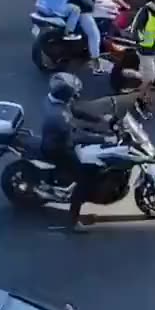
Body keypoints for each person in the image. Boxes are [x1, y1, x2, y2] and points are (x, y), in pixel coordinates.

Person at [39, 73, 116, 232]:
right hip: (59, 148)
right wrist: (104, 140)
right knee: (84, 179)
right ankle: (73, 221)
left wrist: (102, 119)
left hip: (60, 136)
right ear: (65, 94)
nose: (77, 95)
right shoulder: (58, 116)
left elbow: (75, 110)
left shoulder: (54, 100)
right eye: (73, 93)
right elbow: (76, 136)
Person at [34, 0, 105, 75]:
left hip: (46, 8)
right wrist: (91, 6)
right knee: (94, 34)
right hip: (80, 11)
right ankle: (96, 63)